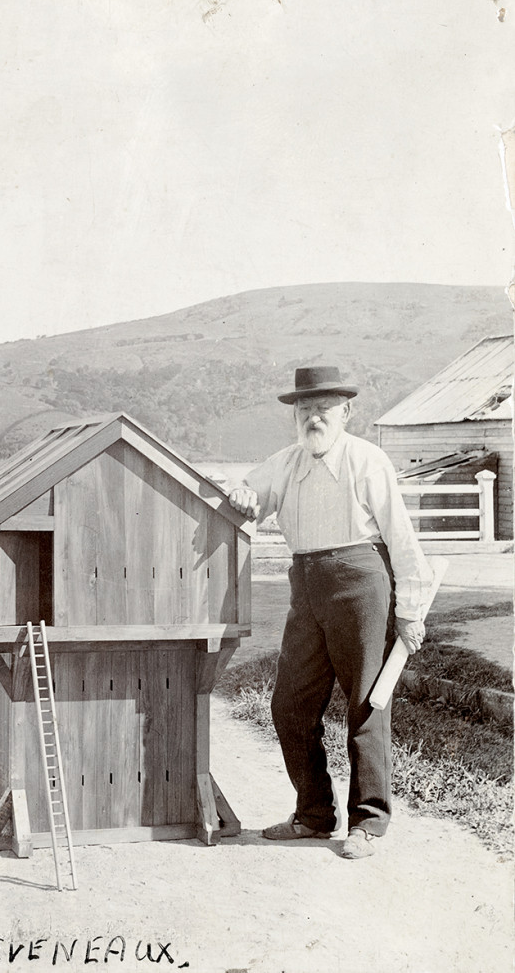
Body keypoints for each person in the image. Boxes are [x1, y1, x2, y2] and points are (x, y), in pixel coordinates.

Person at [228, 365, 433, 859]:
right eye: (304, 409)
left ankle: (369, 822)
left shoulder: (368, 460)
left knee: (364, 703)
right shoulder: (286, 462)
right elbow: (249, 496)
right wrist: (243, 494)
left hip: (360, 580)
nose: (313, 417)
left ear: (346, 412)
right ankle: (315, 816)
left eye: (323, 408)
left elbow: (402, 539)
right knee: (289, 706)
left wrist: (410, 610)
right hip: (306, 584)